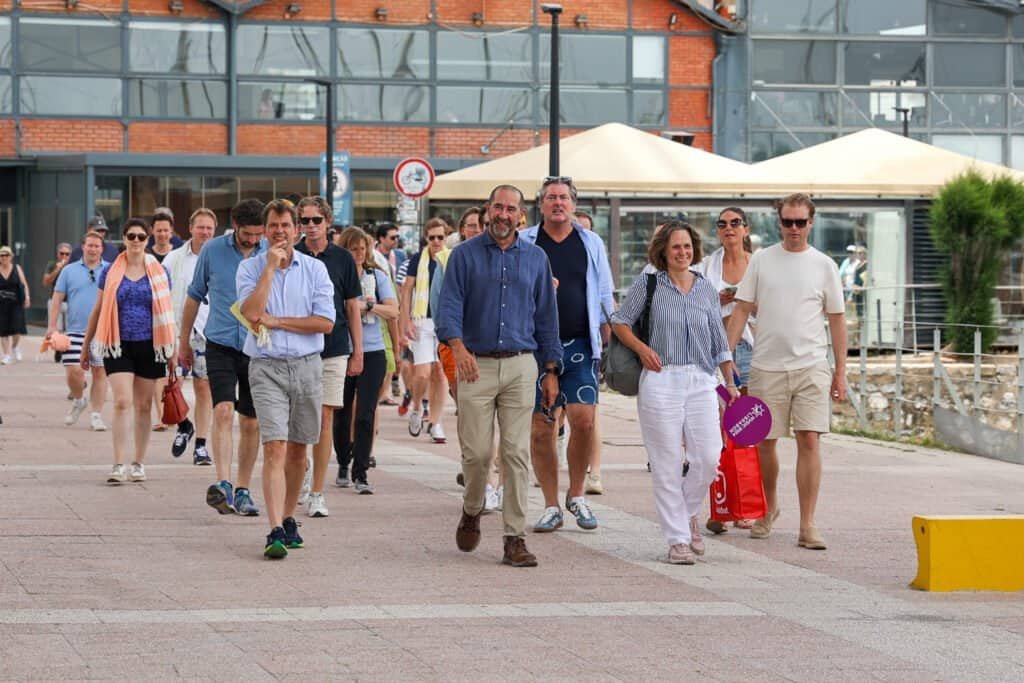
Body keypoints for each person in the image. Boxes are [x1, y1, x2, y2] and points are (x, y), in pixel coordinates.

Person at [436, 184, 561, 567]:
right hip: (476, 364)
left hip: (522, 364)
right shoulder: (463, 256)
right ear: (488, 210)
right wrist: (458, 349)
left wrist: (551, 369)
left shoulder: (537, 258)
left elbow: (546, 318)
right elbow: (449, 308)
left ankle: (514, 538)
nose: (504, 215)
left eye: (511, 209)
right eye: (498, 207)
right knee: (476, 454)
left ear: (521, 215)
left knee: (515, 452)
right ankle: (473, 508)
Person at [726, 193, 848, 551]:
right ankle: (769, 507)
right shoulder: (762, 260)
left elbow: (838, 321)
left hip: (811, 365)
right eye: (787, 222)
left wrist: (841, 372)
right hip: (767, 365)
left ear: (811, 223)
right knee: (765, 442)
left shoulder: (824, 264)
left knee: (810, 439)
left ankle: (808, 524)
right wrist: (726, 355)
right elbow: (741, 309)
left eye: (800, 222)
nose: (794, 228)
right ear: (778, 223)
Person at [611, 222, 737, 564]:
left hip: (700, 380)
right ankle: (678, 539)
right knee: (667, 463)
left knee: (709, 457)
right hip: (660, 379)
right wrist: (640, 348)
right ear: (664, 252)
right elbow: (619, 320)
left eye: (687, 246)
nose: (683, 252)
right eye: (676, 247)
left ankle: (688, 513)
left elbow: (718, 339)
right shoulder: (650, 284)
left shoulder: (707, 289)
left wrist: (730, 381)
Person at [237, 199, 335, 559]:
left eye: (286, 225)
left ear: (297, 229)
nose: (280, 232)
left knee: (298, 449)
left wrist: (278, 321)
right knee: (274, 445)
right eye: (273, 226)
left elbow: (325, 322)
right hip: (266, 366)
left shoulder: (315, 271)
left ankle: (291, 516)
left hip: (308, 365)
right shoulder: (249, 269)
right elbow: (250, 313)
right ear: (265, 231)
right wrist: (268, 271)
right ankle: (275, 527)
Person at [520, 176, 614, 533]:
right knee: (542, 428)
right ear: (541, 205)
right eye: (551, 198)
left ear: (573, 205)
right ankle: (550, 504)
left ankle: (577, 495)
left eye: (564, 198)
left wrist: (608, 340)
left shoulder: (590, 242)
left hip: (580, 344)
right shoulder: (526, 242)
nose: (558, 203)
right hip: (535, 346)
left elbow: (605, 294)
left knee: (584, 420)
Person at [179, 199, 265, 516]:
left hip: (258, 346)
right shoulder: (213, 250)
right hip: (220, 341)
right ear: (235, 225)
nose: (254, 240)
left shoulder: (269, 251)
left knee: (252, 420)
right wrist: (184, 342)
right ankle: (224, 483)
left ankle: (243, 489)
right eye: (248, 234)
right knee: (224, 409)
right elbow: (193, 297)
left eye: (259, 234)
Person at [80, 218, 175, 485]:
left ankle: (138, 463)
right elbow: (98, 310)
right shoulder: (110, 271)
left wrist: (174, 351)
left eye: (141, 237)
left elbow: (168, 313)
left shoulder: (160, 271)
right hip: (117, 343)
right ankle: (118, 463)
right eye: (131, 236)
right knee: (122, 401)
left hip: (151, 344)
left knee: (144, 406)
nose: (136, 241)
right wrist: (86, 346)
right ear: (123, 238)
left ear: (147, 240)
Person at [294, 196, 363, 517]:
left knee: (324, 419)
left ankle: (318, 491)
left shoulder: (343, 259)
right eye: (305, 221)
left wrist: (357, 351)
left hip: (334, 348)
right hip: (297, 348)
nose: (310, 226)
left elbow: (352, 307)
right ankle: (303, 472)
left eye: (315, 220)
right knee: (299, 421)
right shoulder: (291, 256)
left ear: (327, 222)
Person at [696, 207, 758, 535]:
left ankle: (744, 507)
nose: (729, 229)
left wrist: (747, 302)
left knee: (746, 430)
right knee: (717, 430)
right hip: (717, 352)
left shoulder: (757, 264)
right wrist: (720, 301)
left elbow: (770, 304)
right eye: (722, 224)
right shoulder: (708, 266)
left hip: (750, 349)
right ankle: (720, 506)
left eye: (735, 223)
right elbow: (697, 304)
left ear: (746, 229)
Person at [334, 227, 397, 493]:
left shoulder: (377, 277)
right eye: (353, 249)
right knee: (342, 413)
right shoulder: (337, 275)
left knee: (365, 414)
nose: (359, 254)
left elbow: (393, 310)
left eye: (363, 249)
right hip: (342, 350)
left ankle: (361, 472)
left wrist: (367, 306)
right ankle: (343, 462)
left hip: (373, 351)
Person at [162, 208, 216, 465]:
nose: (204, 232)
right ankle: (184, 424)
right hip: (176, 330)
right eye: (201, 227)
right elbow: (160, 295)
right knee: (170, 383)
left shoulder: (219, 256)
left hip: (207, 331)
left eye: (209, 228)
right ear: (191, 228)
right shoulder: (173, 259)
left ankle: (201, 446)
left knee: (203, 387)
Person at [47, 231, 109, 432]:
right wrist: (52, 326)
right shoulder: (69, 270)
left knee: (100, 372)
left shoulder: (111, 270)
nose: (93, 249)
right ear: (83, 247)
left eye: (97, 246)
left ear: (102, 249)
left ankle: (96, 415)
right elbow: (57, 298)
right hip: (74, 330)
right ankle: (79, 399)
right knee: (74, 371)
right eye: (89, 245)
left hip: (102, 331)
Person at [398, 217, 450, 444]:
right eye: (432, 237)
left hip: (444, 322)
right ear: (426, 239)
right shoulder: (418, 259)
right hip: (421, 320)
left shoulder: (452, 258)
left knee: (440, 372)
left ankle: (436, 423)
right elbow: (407, 290)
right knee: (422, 374)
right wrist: (406, 321)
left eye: (441, 237)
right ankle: (417, 406)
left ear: (446, 237)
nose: (437, 241)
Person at [0, 245, 29, 364]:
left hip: (16, 303)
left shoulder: (17, 268)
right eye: (1, 255)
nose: (4, 257)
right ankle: (6, 355)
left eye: (6, 255)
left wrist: (27, 297)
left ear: (11, 257)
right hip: (1, 305)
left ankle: (15, 347)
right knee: (2, 331)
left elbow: (24, 284)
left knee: (17, 329)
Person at [42, 243, 73, 346]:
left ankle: (68, 347)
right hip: (55, 300)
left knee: (70, 328)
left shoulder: (74, 266)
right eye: (62, 253)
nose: (64, 256)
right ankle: (58, 348)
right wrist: (57, 269)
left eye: (67, 254)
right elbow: (46, 282)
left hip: (70, 301)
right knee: (57, 328)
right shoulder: (52, 264)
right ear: (57, 254)